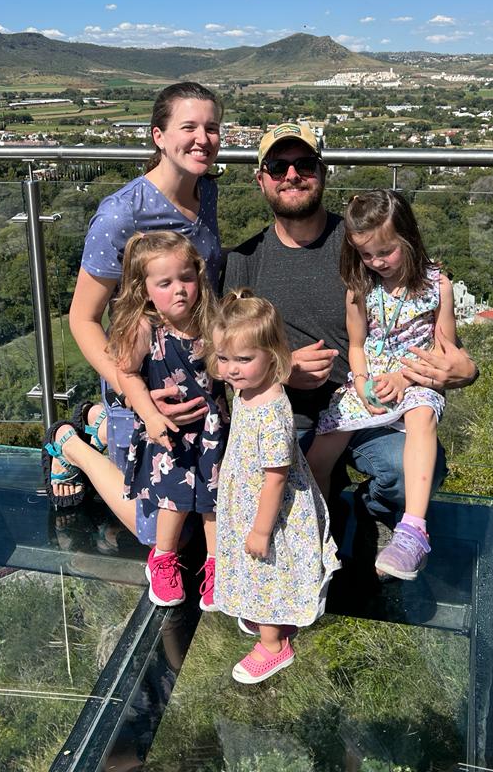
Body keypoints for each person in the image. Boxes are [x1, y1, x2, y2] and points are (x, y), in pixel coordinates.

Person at [223, 121, 478, 529]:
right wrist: (281, 370)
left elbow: (424, 320)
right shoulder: (245, 260)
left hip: (374, 406)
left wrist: (465, 370)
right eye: (278, 167)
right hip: (288, 415)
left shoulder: (364, 241)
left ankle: (367, 519)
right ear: (261, 179)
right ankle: (331, 526)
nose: (292, 175)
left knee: (407, 472)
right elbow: (223, 360)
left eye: (305, 165)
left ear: (322, 172)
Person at [43, 82, 222, 542]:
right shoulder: (121, 216)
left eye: (212, 128)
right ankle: (71, 444)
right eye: (189, 127)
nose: (203, 139)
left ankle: (100, 424)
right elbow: (82, 318)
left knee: (204, 504)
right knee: (157, 532)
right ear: (158, 136)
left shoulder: (207, 193)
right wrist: (135, 395)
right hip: (140, 382)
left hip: (198, 376)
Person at [307, 190, 454, 580]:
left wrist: (404, 378)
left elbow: (445, 351)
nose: (376, 262)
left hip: (415, 378)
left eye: (386, 251)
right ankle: (314, 528)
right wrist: (360, 383)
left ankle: (413, 530)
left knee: (422, 416)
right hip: (369, 380)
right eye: (366, 254)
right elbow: (357, 345)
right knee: (319, 454)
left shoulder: (437, 286)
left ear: (409, 237)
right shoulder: (360, 287)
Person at [209, 290, 339, 684]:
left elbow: (276, 477)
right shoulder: (248, 389)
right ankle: (271, 616)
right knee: (261, 573)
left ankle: (273, 645)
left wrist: (262, 530)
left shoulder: (271, 411)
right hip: (248, 498)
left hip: (269, 508)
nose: (232, 369)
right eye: (224, 358)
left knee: (265, 566)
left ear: (273, 356)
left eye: (243, 359)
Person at [110, 231, 228, 608]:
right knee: (173, 498)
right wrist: (149, 414)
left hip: (212, 430)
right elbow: (127, 373)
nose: (179, 289)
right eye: (165, 283)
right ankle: (163, 558)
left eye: (186, 278)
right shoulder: (147, 328)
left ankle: (217, 564)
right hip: (169, 431)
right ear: (144, 290)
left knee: (216, 500)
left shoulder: (211, 321)